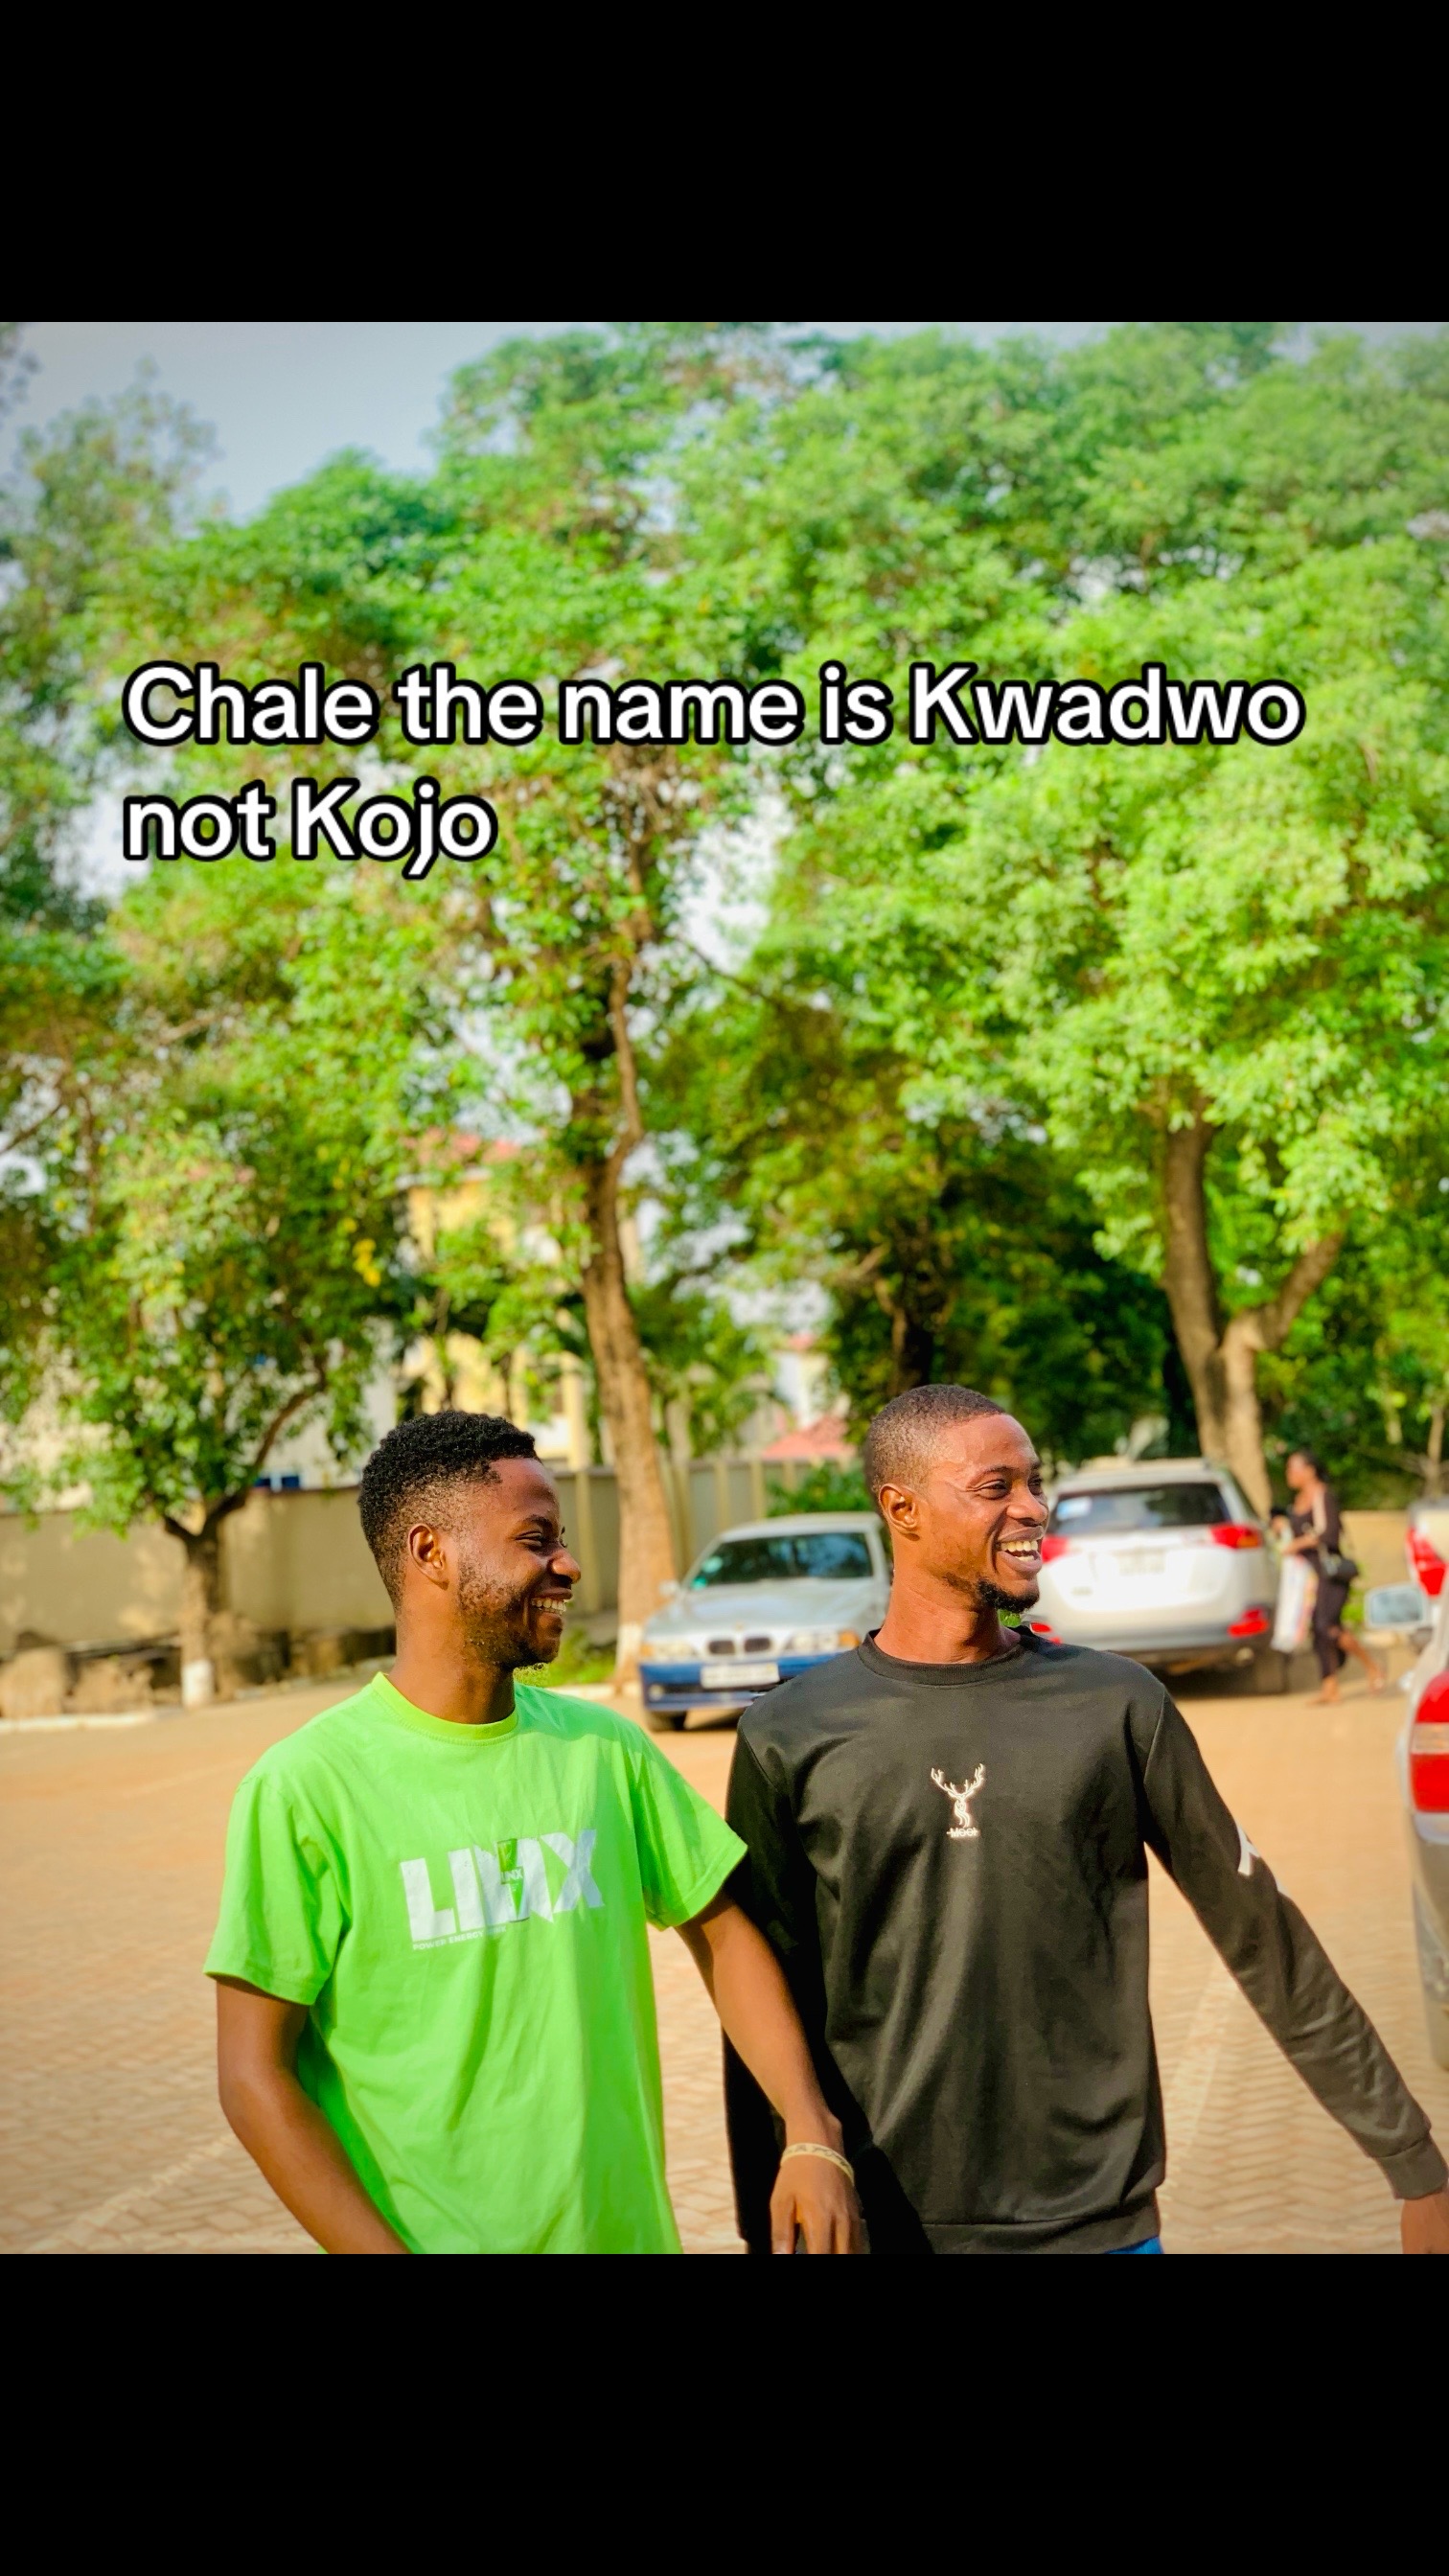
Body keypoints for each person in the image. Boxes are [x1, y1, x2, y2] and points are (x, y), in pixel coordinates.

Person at [724, 1385, 1449, 2255]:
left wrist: (1413, 2160)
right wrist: (770, 2212)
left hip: (1097, 2223)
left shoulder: (1114, 1706)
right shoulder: (792, 1731)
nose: (1034, 1508)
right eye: (996, 1487)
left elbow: (1265, 1935)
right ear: (902, 1508)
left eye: (1035, 1483)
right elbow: (758, 1985)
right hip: (884, 2223)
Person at [207, 1411, 860, 2254]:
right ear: (431, 1553)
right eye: (535, 1539)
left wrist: (810, 2131)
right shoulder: (306, 1788)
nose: (569, 1565)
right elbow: (253, 2075)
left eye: (562, 1540)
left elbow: (724, 1933)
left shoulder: (604, 1750)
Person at [1281, 1447, 1385, 1705]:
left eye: (1293, 1468)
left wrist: (1298, 1544)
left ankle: (1371, 1666)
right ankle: (1330, 1687)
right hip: (1308, 1578)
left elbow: (1329, 1534)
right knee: (1318, 1630)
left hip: (1330, 1574)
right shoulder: (1297, 1501)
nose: (1289, 1473)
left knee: (1327, 1626)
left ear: (1309, 1470)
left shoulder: (1323, 1496)